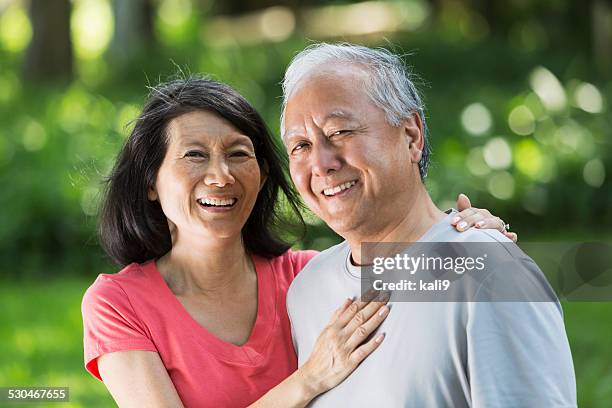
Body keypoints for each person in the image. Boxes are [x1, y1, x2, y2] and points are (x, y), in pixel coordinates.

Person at [81, 76, 514, 407]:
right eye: (194, 155)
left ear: (264, 174)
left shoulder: (310, 277)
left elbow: (424, 274)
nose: (221, 176)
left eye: (238, 154)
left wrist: (464, 234)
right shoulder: (118, 304)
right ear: (150, 182)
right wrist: (308, 379)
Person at [282, 43, 577, 406]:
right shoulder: (306, 292)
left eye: (340, 132)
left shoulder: (489, 274)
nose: (321, 163)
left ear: (411, 136)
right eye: (300, 146)